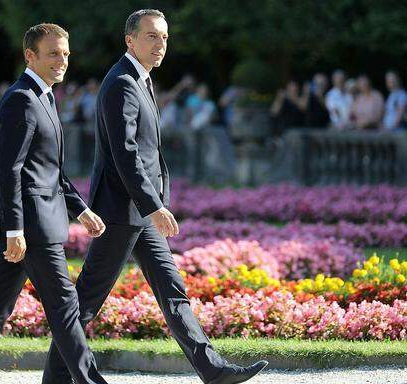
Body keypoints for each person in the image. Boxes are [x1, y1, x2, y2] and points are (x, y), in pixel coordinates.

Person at [43, 9, 268, 384]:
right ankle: (55, 378)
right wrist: (155, 205)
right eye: (152, 37)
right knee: (86, 302)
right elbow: (125, 153)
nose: (160, 44)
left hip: (139, 211)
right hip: (121, 211)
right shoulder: (122, 83)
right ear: (130, 40)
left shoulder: (140, 79)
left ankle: (212, 370)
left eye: (164, 37)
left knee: (171, 289)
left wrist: (152, 205)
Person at [0, 23, 108, 384]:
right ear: (30, 56)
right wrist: (15, 230)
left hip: (37, 222)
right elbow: (8, 171)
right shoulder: (21, 99)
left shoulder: (43, 96)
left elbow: (49, 170)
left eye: (66, 54)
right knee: (65, 309)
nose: (62, 61)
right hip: (32, 228)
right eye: (53, 53)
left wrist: (82, 209)